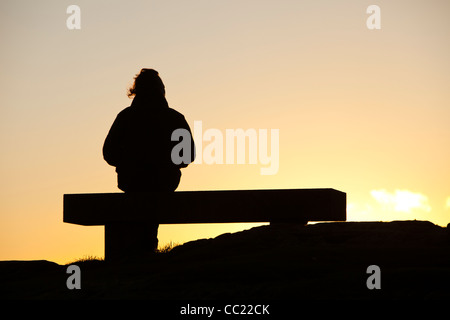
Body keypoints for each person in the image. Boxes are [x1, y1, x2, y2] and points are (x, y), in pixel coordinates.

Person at [102, 68, 195, 255]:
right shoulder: (175, 118)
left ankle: (139, 251)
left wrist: (129, 160)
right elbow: (188, 156)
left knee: (139, 219)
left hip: (132, 181)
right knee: (149, 220)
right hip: (164, 182)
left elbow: (108, 153)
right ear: (162, 90)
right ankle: (146, 248)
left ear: (136, 91)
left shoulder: (125, 118)